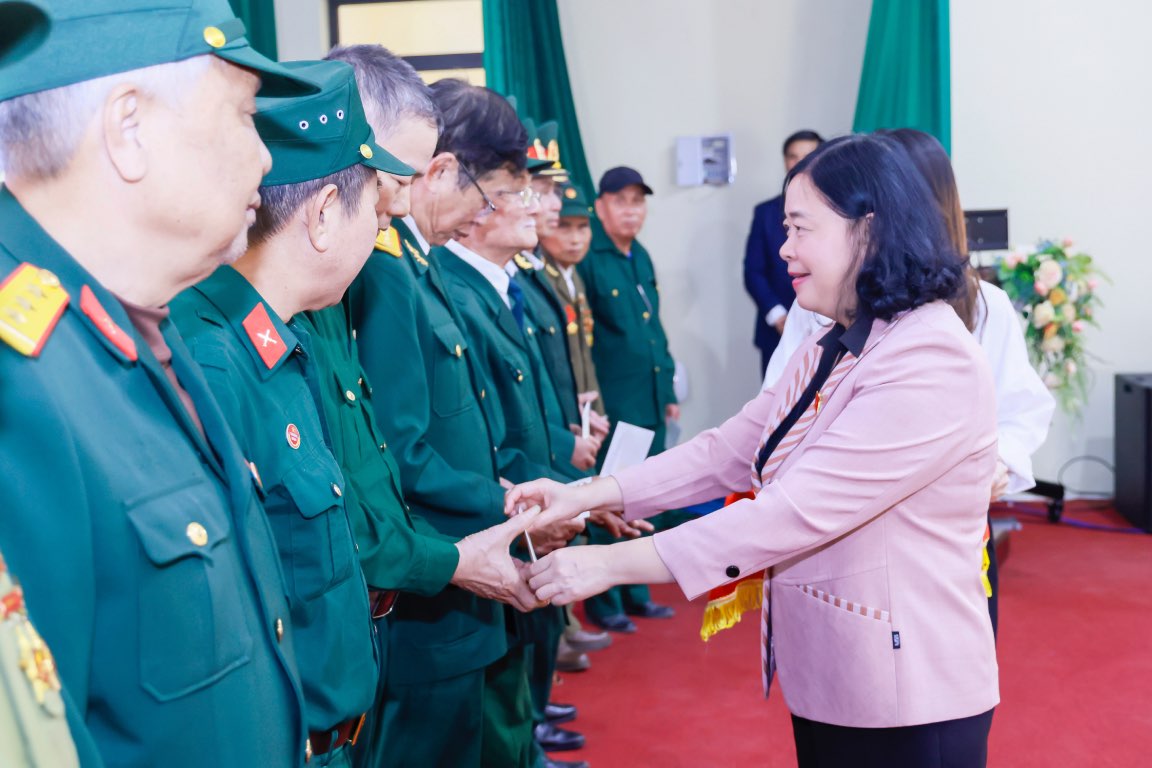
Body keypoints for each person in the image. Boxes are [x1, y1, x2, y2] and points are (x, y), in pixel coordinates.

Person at [511, 134, 1001, 766]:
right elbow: (733, 449)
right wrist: (581, 494)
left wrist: (604, 565)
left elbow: (792, 512)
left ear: (868, 231)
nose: (785, 250)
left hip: (908, 692)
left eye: (801, 229)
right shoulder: (841, 336)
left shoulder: (927, 356)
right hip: (843, 672)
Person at [0, 1, 321, 765]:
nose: (268, 160)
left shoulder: (150, 326)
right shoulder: (21, 381)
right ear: (129, 128)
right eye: (244, 115)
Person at [168, 59, 417, 767]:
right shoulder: (217, 360)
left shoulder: (285, 340)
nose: (380, 228)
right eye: (373, 206)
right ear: (323, 216)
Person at [302, 44, 545, 768]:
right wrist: (500, 503)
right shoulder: (377, 268)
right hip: (427, 587)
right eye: (486, 190)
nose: (484, 209)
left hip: (453, 568)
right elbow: (397, 451)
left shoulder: (409, 262)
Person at [763, 128, 1055, 634]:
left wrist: (1001, 459)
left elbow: (1020, 408)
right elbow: (772, 408)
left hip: (942, 534)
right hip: (841, 528)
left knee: (940, 668)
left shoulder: (983, 306)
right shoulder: (816, 304)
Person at [577, 165, 678, 632]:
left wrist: (669, 386)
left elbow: (653, 328)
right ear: (601, 206)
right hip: (616, 403)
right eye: (621, 200)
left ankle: (637, 592)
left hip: (650, 397)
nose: (631, 210)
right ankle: (603, 600)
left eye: (638, 201)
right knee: (610, 495)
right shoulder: (589, 259)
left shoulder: (641, 256)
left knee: (644, 498)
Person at [744, 129, 823, 375]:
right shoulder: (765, 213)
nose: (800, 163)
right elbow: (753, 272)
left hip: (826, 327)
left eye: (808, 155)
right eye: (793, 156)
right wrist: (779, 317)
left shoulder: (836, 212)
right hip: (777, 332)